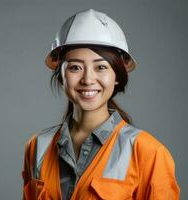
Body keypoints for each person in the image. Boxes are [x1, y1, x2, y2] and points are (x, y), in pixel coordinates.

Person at [22, 9, 180, 200]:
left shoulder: (149, 153)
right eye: (75, 67)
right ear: (61, 76)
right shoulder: (37, 146)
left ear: (117, 76)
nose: (88, 79)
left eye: (101, 67)